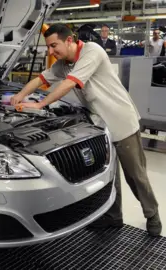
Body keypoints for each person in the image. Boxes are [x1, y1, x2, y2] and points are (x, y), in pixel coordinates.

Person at [10, 23, 162, 237]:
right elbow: (41, 79)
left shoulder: (92, 51)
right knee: (109, 176)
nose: (52, 52)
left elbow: (71, 83)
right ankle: (113, 217)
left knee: (135, 177)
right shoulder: (63, 63)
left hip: (122, 122)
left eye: (54, 46)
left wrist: (40, 104)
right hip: (101, 127)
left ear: (69, 40)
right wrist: (19, 97)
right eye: (49, 48)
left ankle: (153, 216)